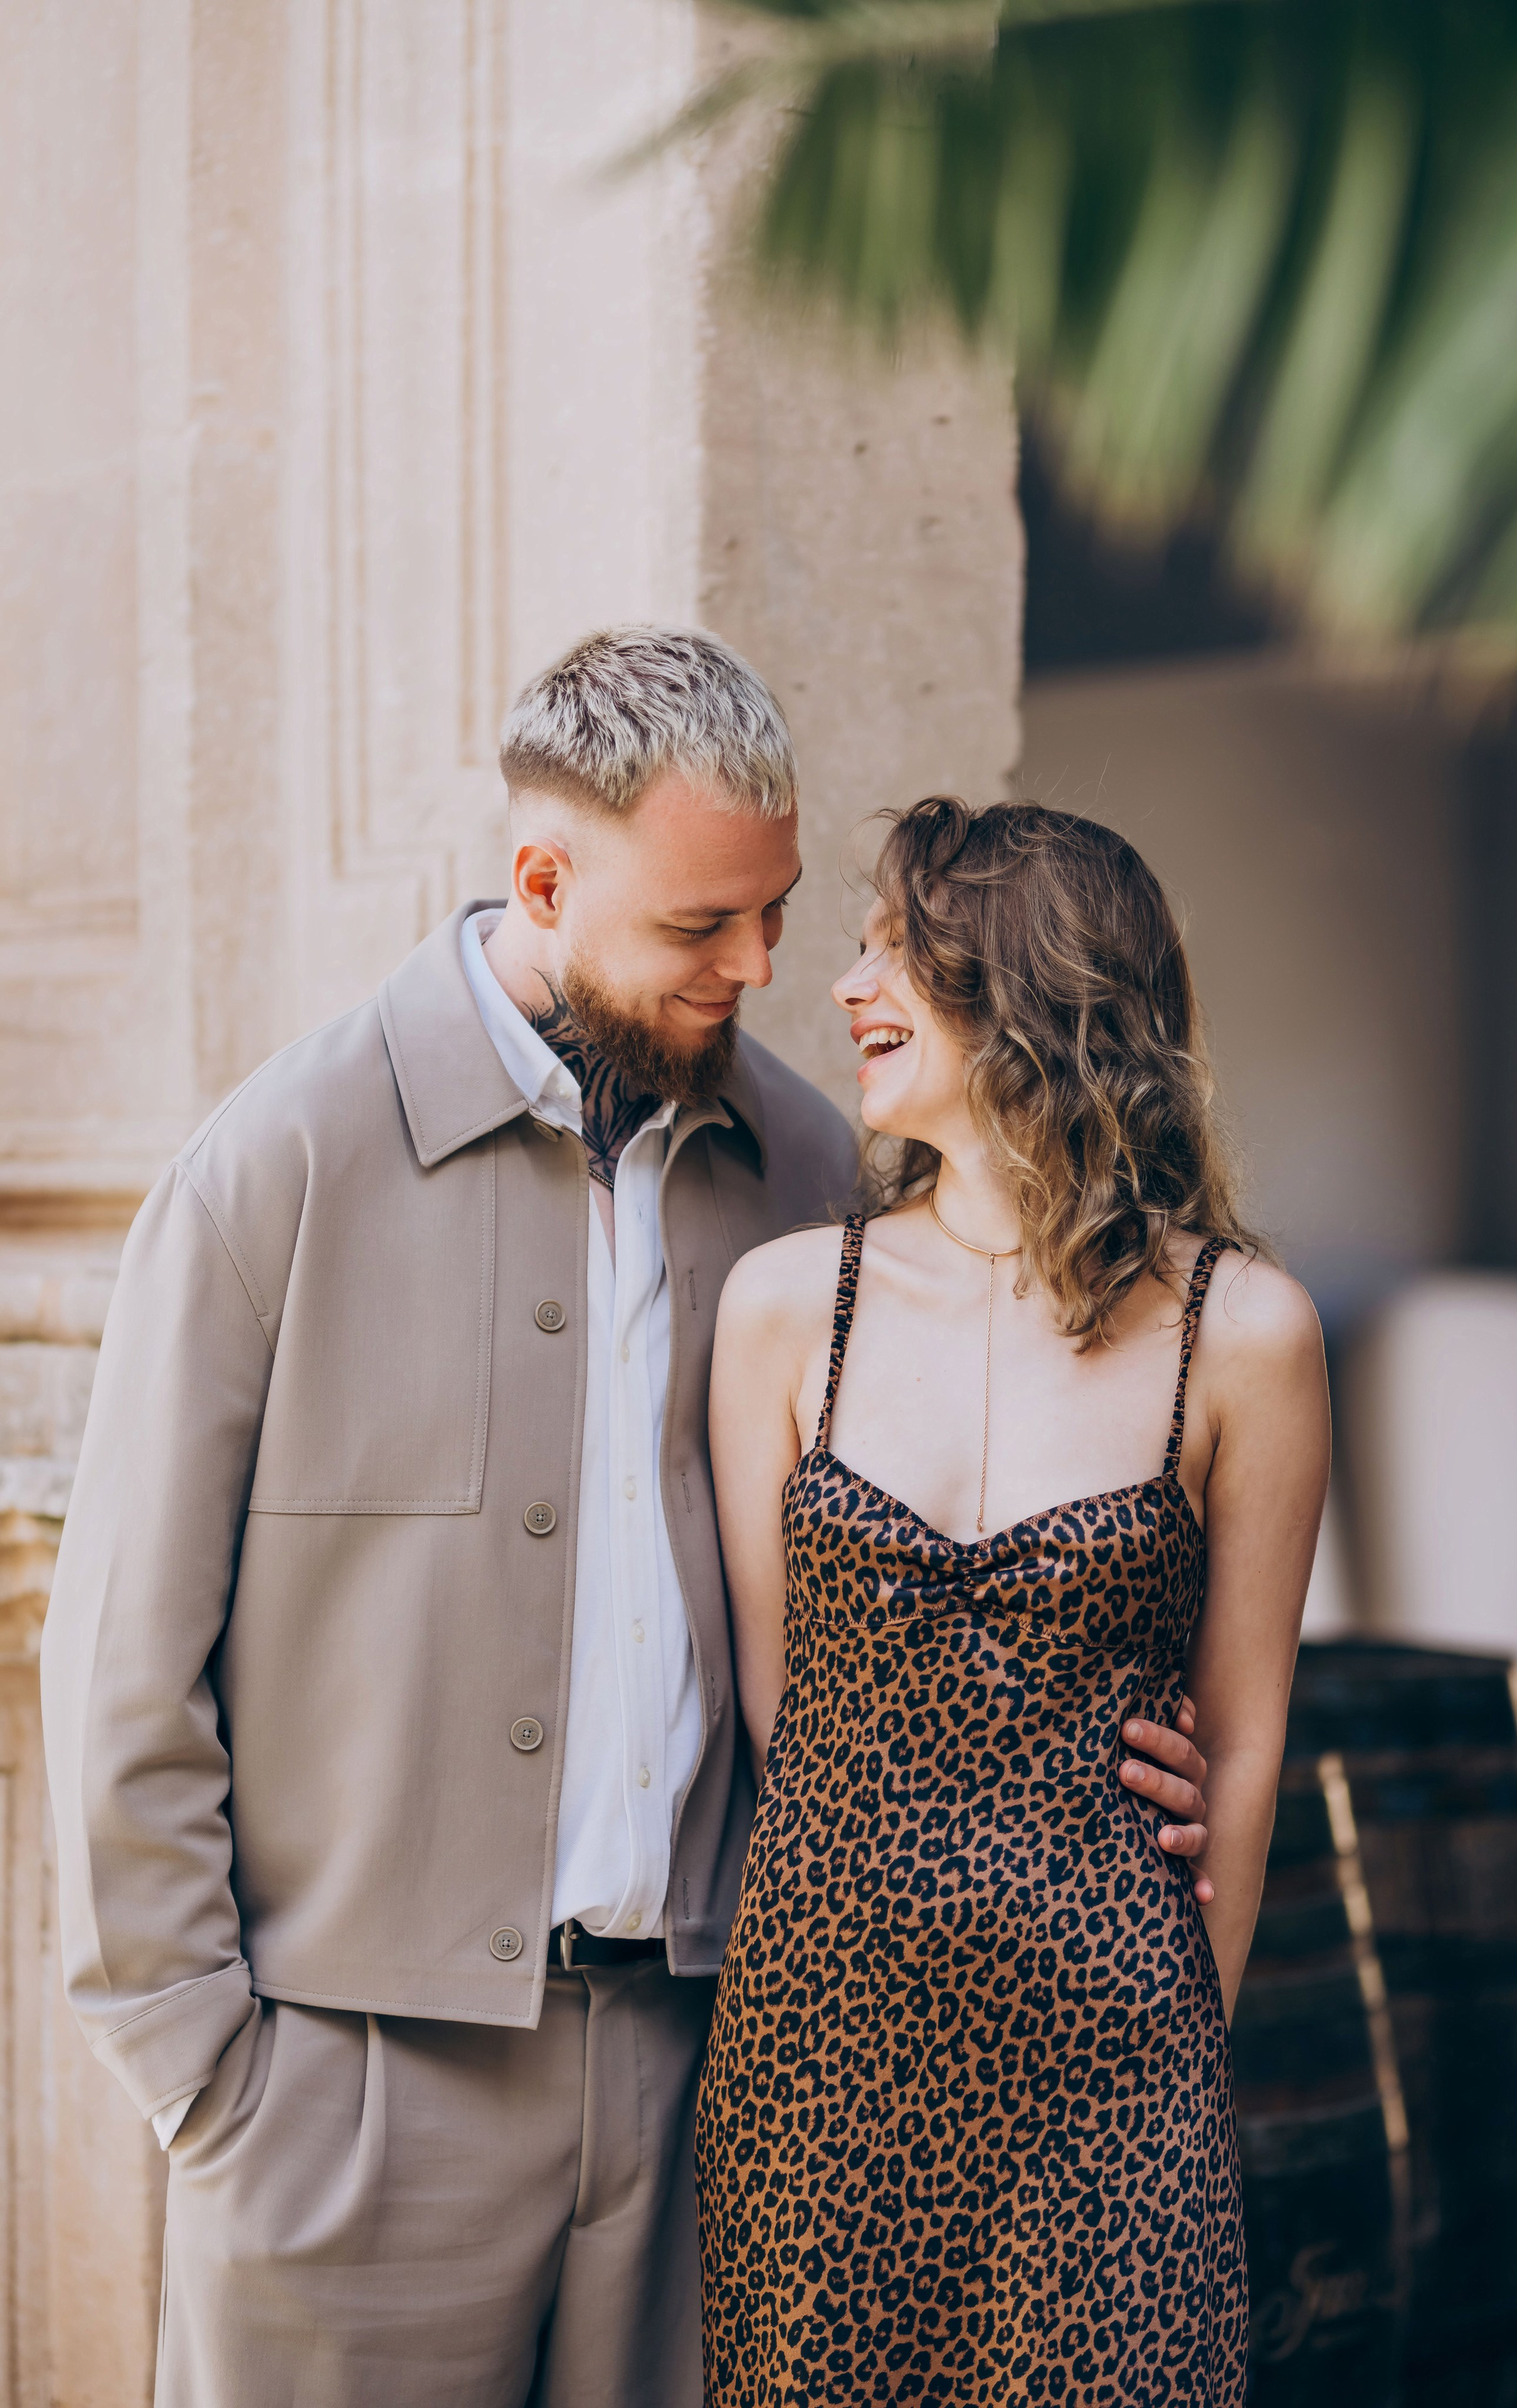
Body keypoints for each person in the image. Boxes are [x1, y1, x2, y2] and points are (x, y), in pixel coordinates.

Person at [39, 635, 1213, 2407]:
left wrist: (1104, 1745)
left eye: (776, 913)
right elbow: (119, 1665)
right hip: (351, 2111)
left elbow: (951, 1534)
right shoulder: (273, 1171)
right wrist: (213, 2084)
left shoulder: (822, 1176)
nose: (759, 970)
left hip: (705, 2083)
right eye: (698, 931)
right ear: (543, 881)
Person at [699, 797, 1331, 2406]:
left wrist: (1166, 2063)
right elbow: (786, 1714)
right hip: (819, 2063)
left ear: (1030, 991)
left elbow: (1244, 1746)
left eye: (892, 948)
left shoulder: (1241, 1333)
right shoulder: (785, 1308)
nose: (841, 983)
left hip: (1113, 2078)